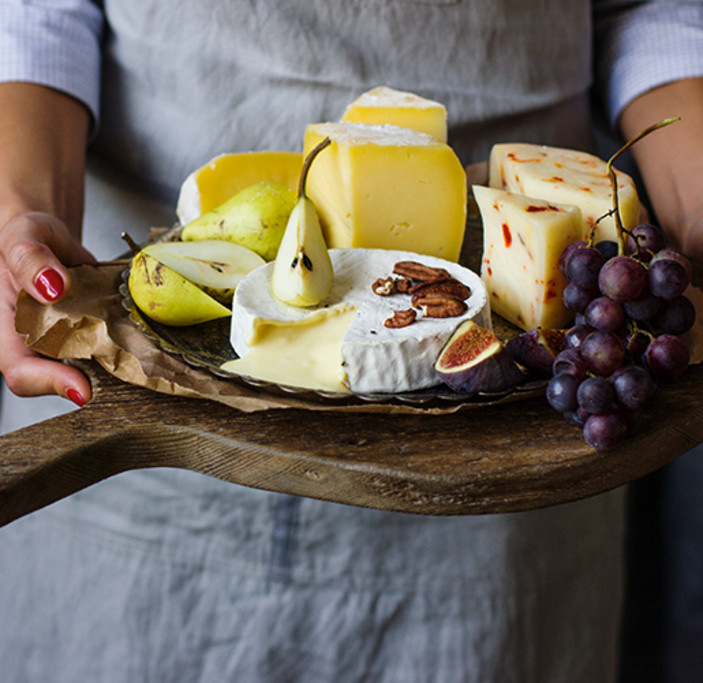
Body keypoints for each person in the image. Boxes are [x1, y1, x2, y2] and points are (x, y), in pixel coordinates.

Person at [0, 1, 701, 681]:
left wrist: (693, 205)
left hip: (515, 398)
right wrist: (22, 208)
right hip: (167, 357)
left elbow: (648, 9)